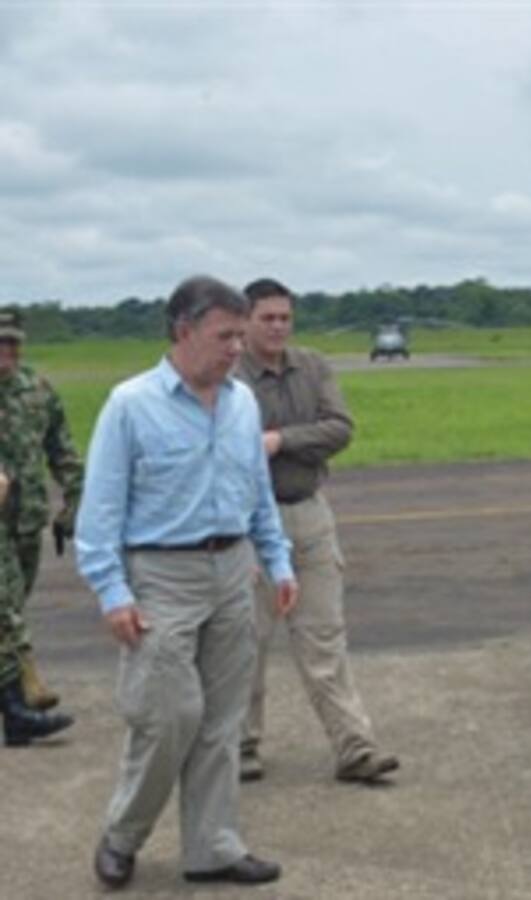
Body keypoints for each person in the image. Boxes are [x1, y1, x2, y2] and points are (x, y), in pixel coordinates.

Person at [75, 275, 298, 890]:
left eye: (240, 334)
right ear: (183, 331)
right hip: (160, 576)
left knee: (223, 721)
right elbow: (99, 513)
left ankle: (213, 846)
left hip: (232, 569)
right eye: (225, 335)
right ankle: (123, 836)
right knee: (169, 715)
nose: (237, 347)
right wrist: (112, 591)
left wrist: (278, 561)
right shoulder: (130, 405)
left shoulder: (241, 402)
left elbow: (257, 494)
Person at [236, 277, 398, 784]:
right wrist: (273, 443)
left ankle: (354, 746)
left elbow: (339, 429)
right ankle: (240, 745)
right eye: (268, 318)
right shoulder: (230, 376)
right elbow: (230, 444)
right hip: (248, 523)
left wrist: (280, 440)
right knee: (246, 641)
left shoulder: (313, 366)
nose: (279, 326)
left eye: (285, 317)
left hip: (308, 512)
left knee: (324, 637)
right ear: (245, 321)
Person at [0, 308, 83, 711]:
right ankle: (24, 693)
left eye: (12, 342)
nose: (5, 350)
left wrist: (73, 500)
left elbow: (62, 450)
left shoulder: (37, 390)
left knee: (13, 606)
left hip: (27, 518)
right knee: (7, 610)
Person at [0, 458, 73, 746]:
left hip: (18, 517)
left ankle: (17, 708)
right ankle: (15, 709)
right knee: (5, 612)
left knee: (9, 610)